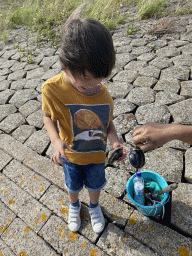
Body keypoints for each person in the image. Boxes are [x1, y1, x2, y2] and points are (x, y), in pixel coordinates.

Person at [41, 4, 128, 234]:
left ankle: (94, 205)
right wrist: (56, 141)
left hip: (97, 154)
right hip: (70, 154)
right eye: (87, 82)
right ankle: (73, 205)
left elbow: (106, 122)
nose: (94, 87)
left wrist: (115, 142)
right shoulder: (52, 89)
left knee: (96, 184)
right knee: (72, 184)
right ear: (65, 66)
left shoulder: (102, 93)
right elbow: (47, 116)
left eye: (99, 81)